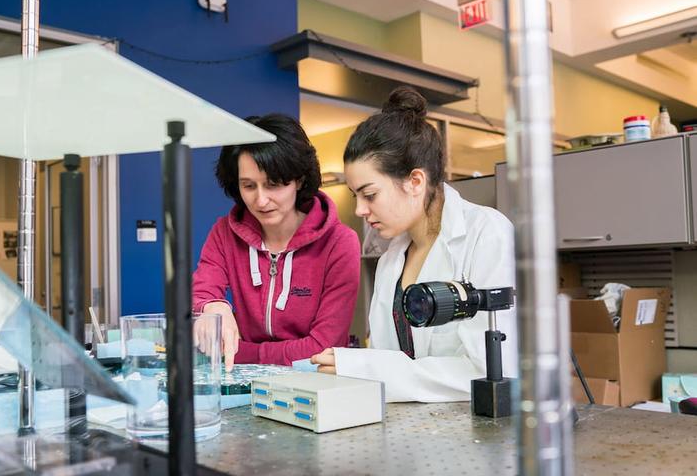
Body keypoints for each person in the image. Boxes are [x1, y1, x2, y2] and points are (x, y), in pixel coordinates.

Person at [310, 87, 518, 402]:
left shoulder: (486, 234)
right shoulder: (390, 258)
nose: (360, 210)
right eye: (356, 196)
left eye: (370, 194)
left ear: (415, 182)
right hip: (409, 431)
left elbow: (487, 371)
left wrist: (365, 368)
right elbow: (388, 360)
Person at [192, 113, 361, 371]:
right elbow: (202, 292)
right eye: (249, 186)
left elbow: (322, 348)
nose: (261, 201)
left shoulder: (340, 243)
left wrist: (241, 351)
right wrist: (213, 306)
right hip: (245, 386)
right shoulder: (223, 233)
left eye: (273, 185)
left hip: (312, 385)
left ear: (299, 180)